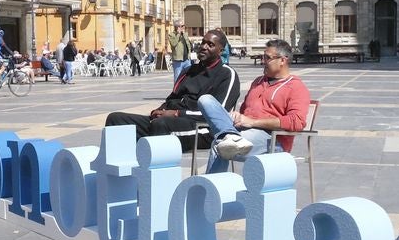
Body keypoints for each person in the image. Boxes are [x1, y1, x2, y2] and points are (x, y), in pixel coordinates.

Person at [104, 29, 239, 142]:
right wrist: (158, 111)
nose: (204, 47)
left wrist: (176, 114)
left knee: (161, 125)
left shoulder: (227, 74)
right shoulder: (189, 71)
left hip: (205, 128)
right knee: (116, 120)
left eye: (210, 45)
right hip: (172, 120)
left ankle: (155, 170)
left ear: (221, 51)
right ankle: (123, 169)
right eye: (203, 42)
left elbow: (219, 115)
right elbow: (172, 99)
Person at [200, 39, 310, 174]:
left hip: (273, 139)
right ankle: (231, 135)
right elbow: (245, 110)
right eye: (263, 57)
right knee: (205, 100)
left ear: (283, 60)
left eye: (267, 58)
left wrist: (253, 122)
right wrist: (238, 116)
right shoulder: (258, 82)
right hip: (243, 130)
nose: (263, 61)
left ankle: (213, 191)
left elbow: (297, 121)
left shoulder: (295, 87)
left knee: (220, 145)